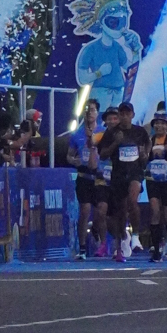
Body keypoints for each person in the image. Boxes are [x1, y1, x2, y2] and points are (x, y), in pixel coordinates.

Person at [97, 101, 150, 259]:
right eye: (122, 114)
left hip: (135, 172)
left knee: (132, 201)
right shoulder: (112, 133)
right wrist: (116, 143)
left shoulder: (139, 132)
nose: (125, 116)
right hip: (118, 174)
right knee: (120, 211)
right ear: (119, 115)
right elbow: (102, 155)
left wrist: (145, 154)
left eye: (128, 113)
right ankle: (121, 242)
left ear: (132, 115)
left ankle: (136, 236)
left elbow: (147, 145)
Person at [66, 100, 104, 257]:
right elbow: (69, 155)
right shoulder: (77, 134)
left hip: (100, 177)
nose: (89, 113)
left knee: (101, 210)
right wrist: (74, 160)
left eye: (92, 110)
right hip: (84, 176)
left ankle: (96, 230)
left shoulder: (103, 132)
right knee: (85, 209)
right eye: (87, 110)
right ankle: (82, 248)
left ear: (97, 113)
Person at [144, 110, 167, 259]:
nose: (159, 126)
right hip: (152, 179)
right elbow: (143, 160)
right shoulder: (149, 140)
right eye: (157, 123)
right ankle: (156, 248)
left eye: (162, 123)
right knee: (155, 211)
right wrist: (145, 155)